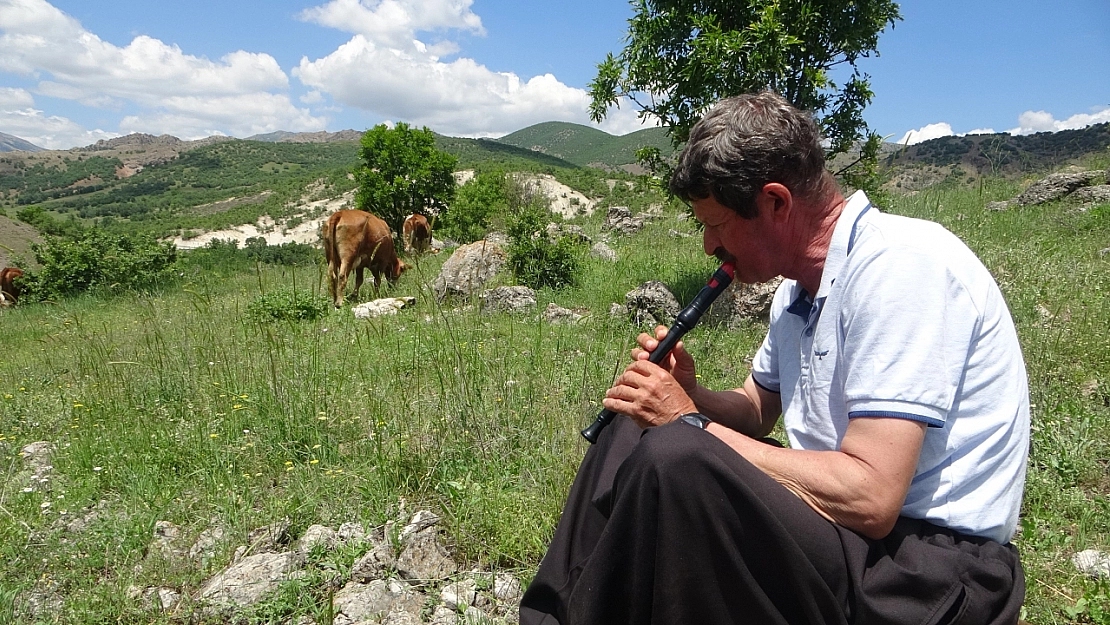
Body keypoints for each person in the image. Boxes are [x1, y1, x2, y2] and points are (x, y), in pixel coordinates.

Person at [519, 91, 1029, 625]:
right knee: (634, 428)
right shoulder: (797, 291)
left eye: (716, 224)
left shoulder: (900, 268)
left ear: (776, 203)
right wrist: (691, 398)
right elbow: (756, 407)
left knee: (676, 456)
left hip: (929, 570)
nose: (708, 246)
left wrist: (687, 422)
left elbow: (873, 498)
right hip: (846, 539)